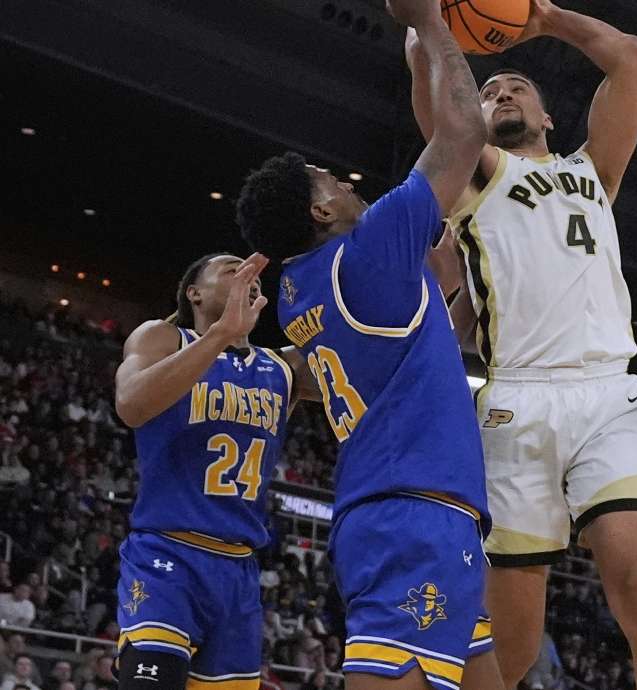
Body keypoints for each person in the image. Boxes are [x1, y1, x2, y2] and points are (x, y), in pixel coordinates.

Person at [411, 0, 637, 686]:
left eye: (517, 88)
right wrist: (430, 23)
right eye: (488, 90)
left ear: (548, 118)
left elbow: (629, 57)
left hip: (609, 394)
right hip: (518, 400)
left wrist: (543, 17)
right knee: (509, 641)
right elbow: (428, 68)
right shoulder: (475, 175)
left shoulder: (594, 172)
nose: (501, 91)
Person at [234, 0, 497, 688]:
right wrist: (433, 24)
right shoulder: (368, 253)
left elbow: (428, 334)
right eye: (329, 181)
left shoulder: (300, 291)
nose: (346, 181)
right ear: (320, 211)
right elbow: (468, 130)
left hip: (408, 507)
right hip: (413, 514)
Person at [112, 252, 315, 690]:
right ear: (195, 293)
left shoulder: (284, 368)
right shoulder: (163, 337)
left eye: (255, 272)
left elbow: (378, 363)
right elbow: (130, 404)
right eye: (231, 268)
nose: (250, 276)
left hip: (239, 571)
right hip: (167, 556)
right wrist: (222, 335)